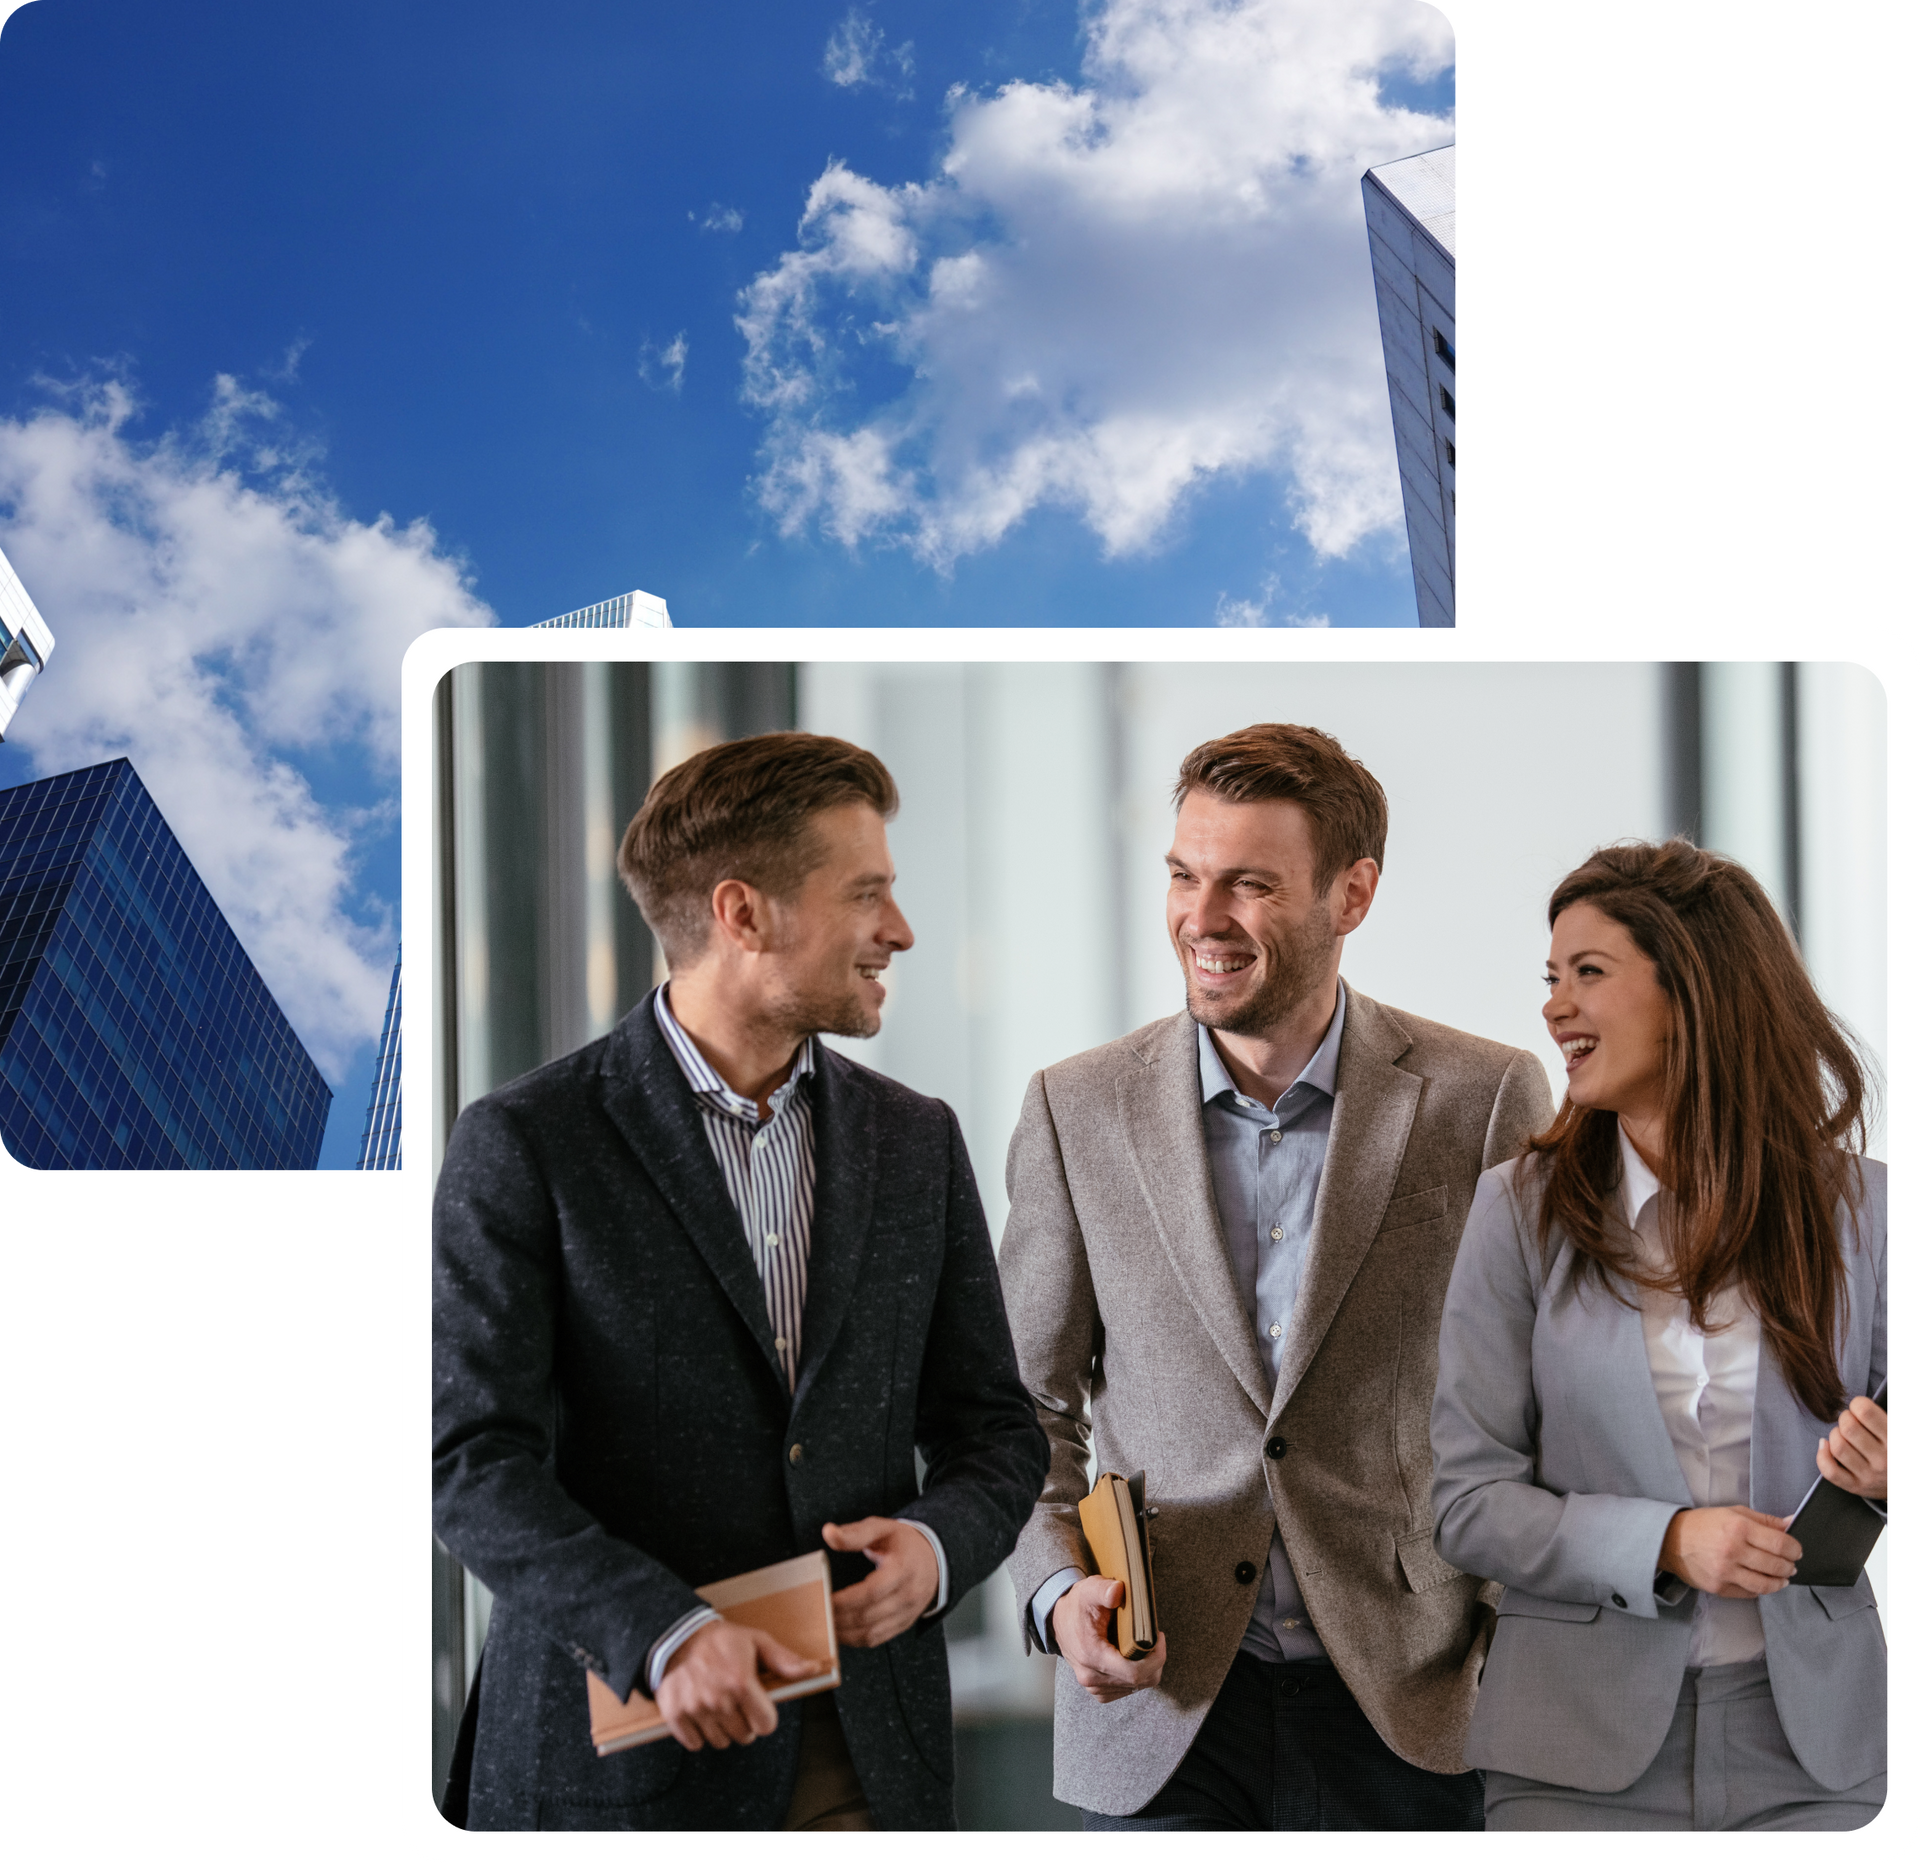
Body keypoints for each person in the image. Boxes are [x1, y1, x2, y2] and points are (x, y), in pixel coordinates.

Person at [433, 731, 1048, 1831]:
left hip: (872, 1763)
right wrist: (664, 1633)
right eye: (867, 896)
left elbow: (995, 1431)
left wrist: (940, 1546)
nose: (899, 932)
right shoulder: (527, 1142)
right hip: (617, 1768)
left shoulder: (917, 1141)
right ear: (744, 912)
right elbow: (470, 1460)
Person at [999, 722, 1555, 1830]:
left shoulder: (1483, 1099)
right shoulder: (1076, 1109)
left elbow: (1539, 1398)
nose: (1201, 919)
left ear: (1352, 896)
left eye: (1249, 885)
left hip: (1413, 1703)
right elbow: (1021, 1404)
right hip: (1161, 1703)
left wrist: (1505, 1630)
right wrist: (1060, 1595)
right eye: (1184, 876)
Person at [1429, 839, 1887, 1830]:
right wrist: (1669, 1542)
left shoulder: (1868, 1213)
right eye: (1551, 978)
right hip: (1571, 1755)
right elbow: (1467, 1503)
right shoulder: (1519, 1213)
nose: (1555, 1006)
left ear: (1696, 989)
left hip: (1817, 1750)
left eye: (1589, 973)